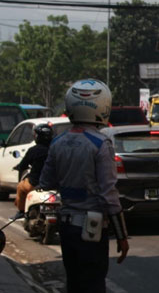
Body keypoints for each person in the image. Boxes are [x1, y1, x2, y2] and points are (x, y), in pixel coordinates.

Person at [38, 79, 130, 293]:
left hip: (67, 227)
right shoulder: (101, 144)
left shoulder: (57, 142)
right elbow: (109, 195)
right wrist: (122, 236)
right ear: (103, 106)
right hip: (91, 231)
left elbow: (46, 182)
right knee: (93, 284)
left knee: (74, 283)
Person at [12, 123, 54, 219]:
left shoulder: (34, 150)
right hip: (54, 184)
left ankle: (21, 211)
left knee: (20, 187)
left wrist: (19, 167)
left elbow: (23, 165)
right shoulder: (55, 149)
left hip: (35, 183)